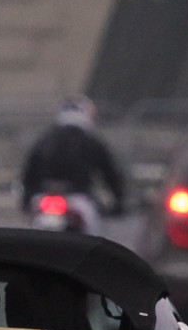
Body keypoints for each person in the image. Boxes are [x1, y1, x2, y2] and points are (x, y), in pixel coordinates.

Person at [19, 96, 128, 235]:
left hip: (44, 196)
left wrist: (27, 200)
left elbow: (29, 174)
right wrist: (118, 202)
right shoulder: (92, 142)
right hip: (79, 197)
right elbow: (111, 174)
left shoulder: (43, 141)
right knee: (93, 237)